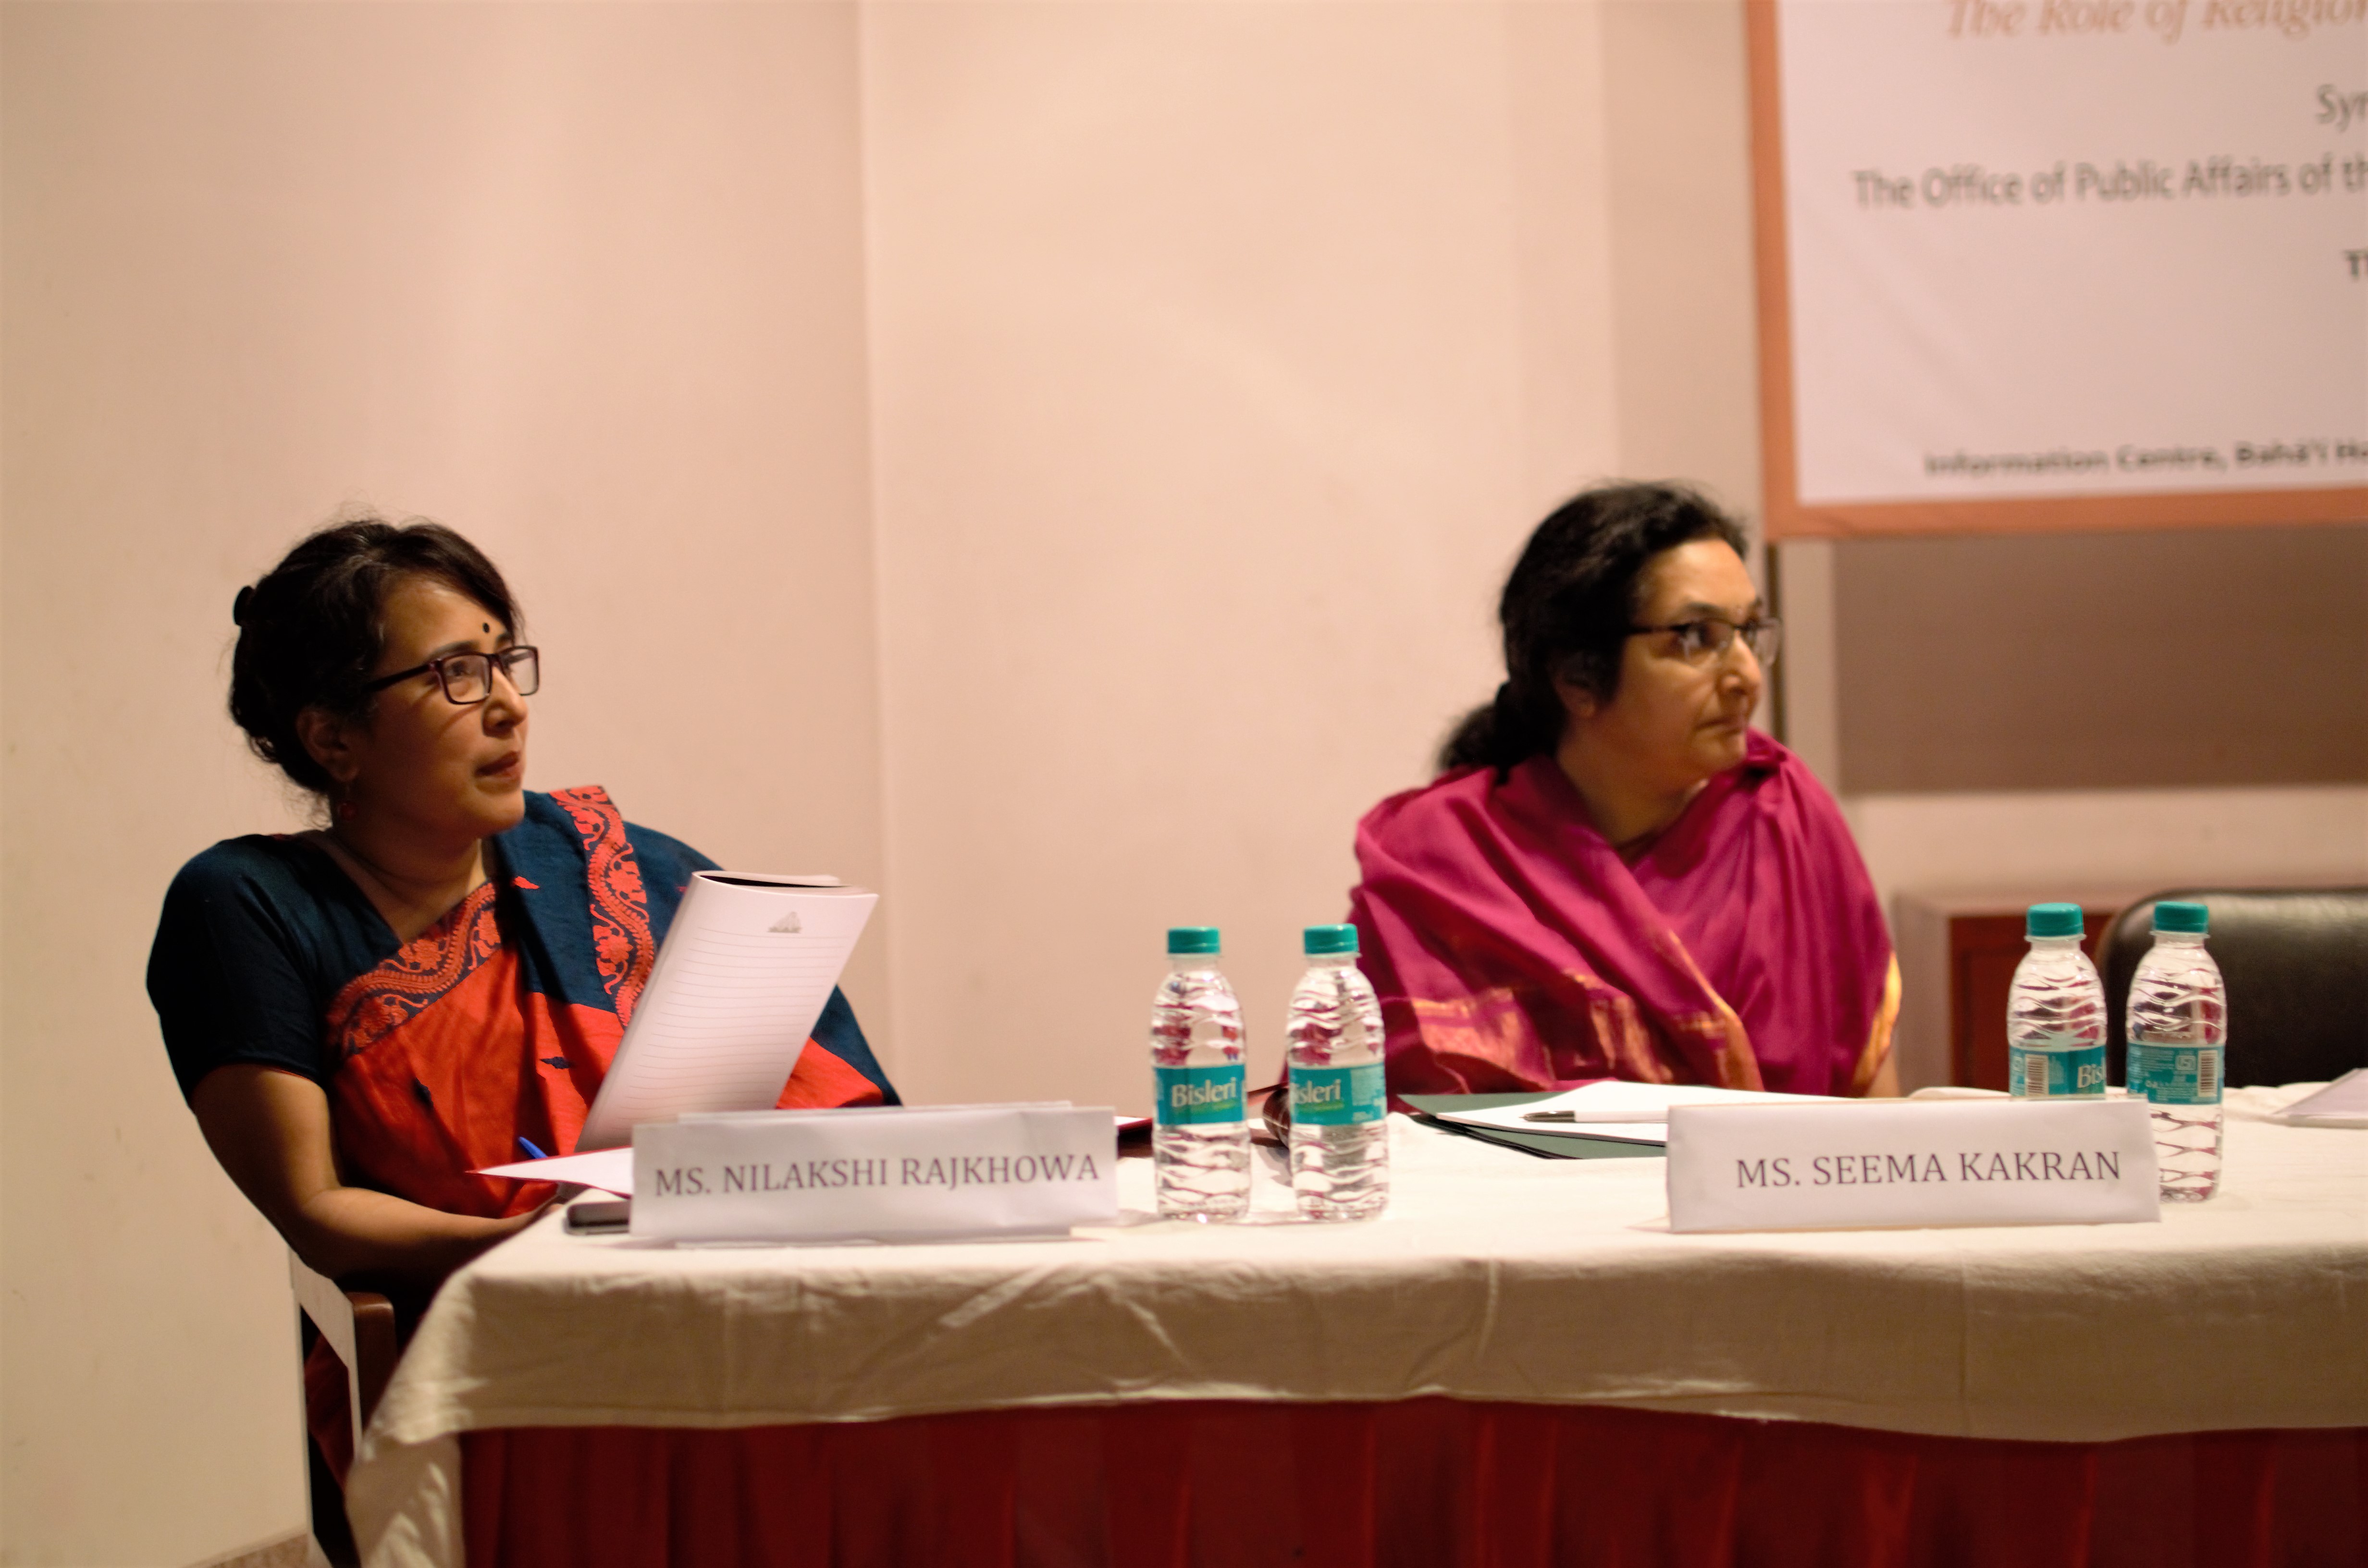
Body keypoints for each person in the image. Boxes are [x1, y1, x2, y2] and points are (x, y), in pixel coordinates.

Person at [148, 518, 895, 1475]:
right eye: (456, 673)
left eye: (506, 663)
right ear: (334, 738)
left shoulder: (631, 872)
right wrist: (525, 1247)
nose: (507, 706)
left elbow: (841, 1116)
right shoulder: (245, 908)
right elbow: (314, 1208)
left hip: (716, 1315)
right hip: (469, 1357)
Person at [1347, 483, 1899, 1101]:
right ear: (1577, 676)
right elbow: (1362, 1122)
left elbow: (1873, 1115)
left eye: (1748, 632)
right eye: (1697, 636)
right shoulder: (1443, 863)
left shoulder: (1786, 821)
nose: (1745, 675)